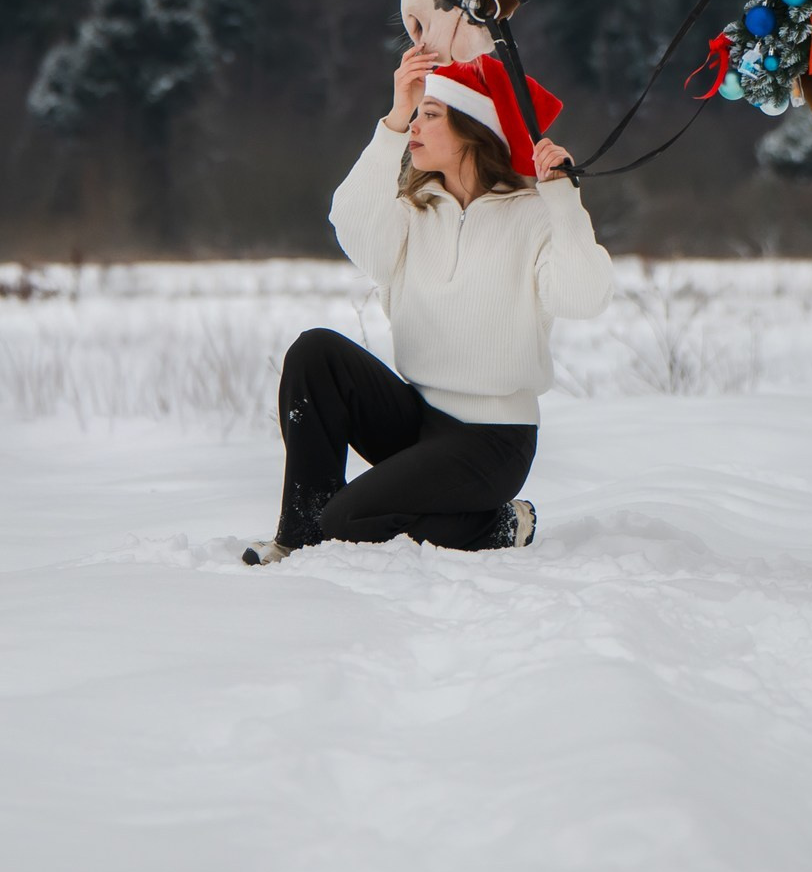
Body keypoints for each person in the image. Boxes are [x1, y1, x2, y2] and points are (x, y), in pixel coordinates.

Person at [243, 47, 615, 564]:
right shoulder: (413, 210)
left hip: (493, 441)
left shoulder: (535, 215)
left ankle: (500, 523)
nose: (416, 124)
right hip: (419, 420)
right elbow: (348, 220)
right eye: (417, 115)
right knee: (316, 354)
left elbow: (584, 297)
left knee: (348, 521)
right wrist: (395, 119)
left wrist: (564, 202)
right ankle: (299, 536)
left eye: (431, 115)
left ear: (473, 130)